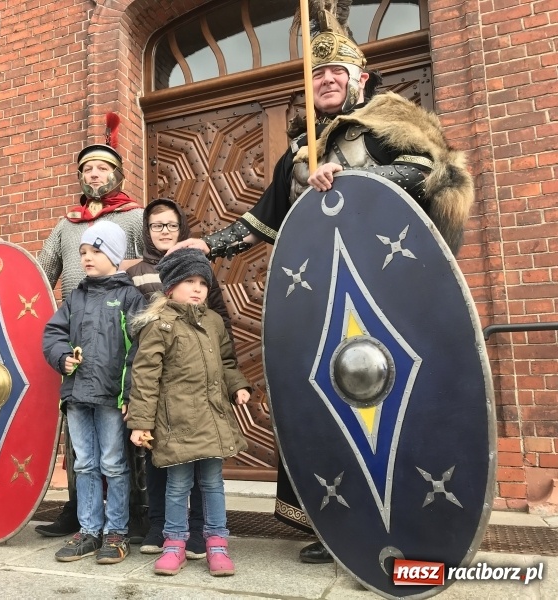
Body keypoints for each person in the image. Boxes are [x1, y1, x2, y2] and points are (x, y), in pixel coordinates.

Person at [173, 6, 474, 564]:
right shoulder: (298, 152)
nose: (328, 80)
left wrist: (353, 177)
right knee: (330, 406)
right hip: (322, 302)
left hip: (388, 298)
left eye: (337, 73)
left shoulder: (386, 129)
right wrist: (205, 245)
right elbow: (262, 221)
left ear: (360, 78)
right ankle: (337, 526)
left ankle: (413, 521)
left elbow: (429, 174)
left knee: (390, 407)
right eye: (318, 74)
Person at [0, 114, 147, 540]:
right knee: (80, 440)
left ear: (117, 174)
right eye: (88, 168)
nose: (94, 173)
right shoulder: (66, 225)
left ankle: (132, 516)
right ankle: (78, 511)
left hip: (119, 324)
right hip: (74, 328)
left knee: (119, 435)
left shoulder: (134, 217)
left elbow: (148, 269)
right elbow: (36, 274)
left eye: (103, 168)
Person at [128, 248, 251, 577]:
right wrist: (140, 422)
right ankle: (174, 544)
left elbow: (226, 361)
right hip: (176, 423)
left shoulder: (213, 322)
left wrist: (237, 386)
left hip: (212, 419)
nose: (198, 288)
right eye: (189, 281)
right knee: (177, 485)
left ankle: (217, 544)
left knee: (212, 483)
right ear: (170, 287)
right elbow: (145, 376)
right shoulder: (160, 324)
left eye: (203, 282)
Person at [42, 221, 145, 564]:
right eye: (83, 252)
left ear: (114, 256)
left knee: (113, 464)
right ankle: (88, 530)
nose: (86, 257)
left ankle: (115, 530)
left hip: (111, 398)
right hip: (76, 396)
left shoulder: (129, 297)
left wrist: (129, 395)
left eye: (95, 251)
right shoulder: (75, 298)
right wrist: (61, 358)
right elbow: (53, 334)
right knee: (84, 464)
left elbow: (139, 351)